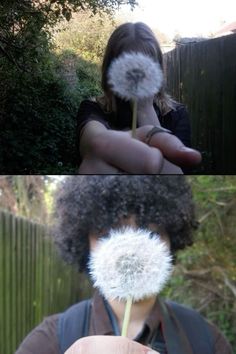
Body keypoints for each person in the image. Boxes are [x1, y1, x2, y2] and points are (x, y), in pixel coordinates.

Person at [16, 176, 232, 354]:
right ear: (85, 243)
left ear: (171, 241)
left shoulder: (206, 340)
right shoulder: (49, 340)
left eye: (151, 233)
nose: (130, 250)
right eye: (108, 234)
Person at [76, 22, 202, 173]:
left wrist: (145, 108)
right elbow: (93, 142)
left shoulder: (176, 114)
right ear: (111, 68)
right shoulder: (94, 108)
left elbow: (178, 175)